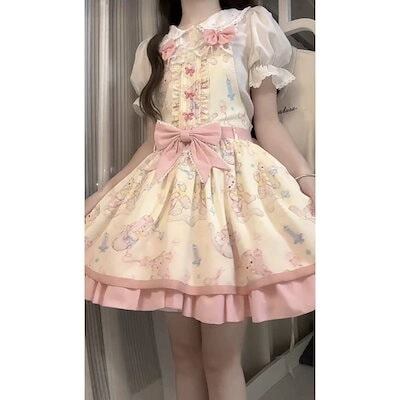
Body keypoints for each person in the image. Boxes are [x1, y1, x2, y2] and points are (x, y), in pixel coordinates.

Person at [85, 1, 315, 399]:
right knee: (184, 358)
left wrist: (306, 178)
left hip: (228, 196)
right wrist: (105, 194)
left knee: (221, 362)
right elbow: (152, 144)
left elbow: (268, 123)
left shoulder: (251, 25)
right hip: (169, 202)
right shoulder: (153, 49)